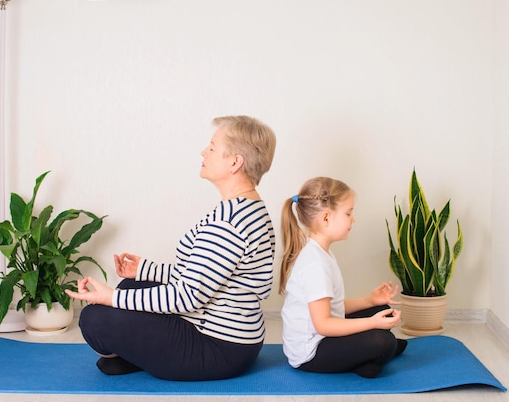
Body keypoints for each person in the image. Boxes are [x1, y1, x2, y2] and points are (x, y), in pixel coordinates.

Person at [66, 115, 277, 381]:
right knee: (132, 287)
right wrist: (145, 269)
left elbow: (187, 296)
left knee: (94, 318)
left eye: (212, 147)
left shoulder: (229, 223)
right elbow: (202, 274)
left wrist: (109, 298)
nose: (204, 151)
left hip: (218, 348)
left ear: (235, 162)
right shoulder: (247, 208)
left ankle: (140, 354)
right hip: (236, 338)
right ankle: (142, 354)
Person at [279, 177, 407, 379]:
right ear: (326, 218)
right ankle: (373, 357)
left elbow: (334, 307)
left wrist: (369, 301)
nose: (353, 219)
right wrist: (371, 324)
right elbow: (324, 325)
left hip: (324, 335)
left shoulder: (322, 253)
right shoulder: (315, 264)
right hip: (311, 353)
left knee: (383, 311)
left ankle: (370, 357)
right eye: (348, 213)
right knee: (384, 341)